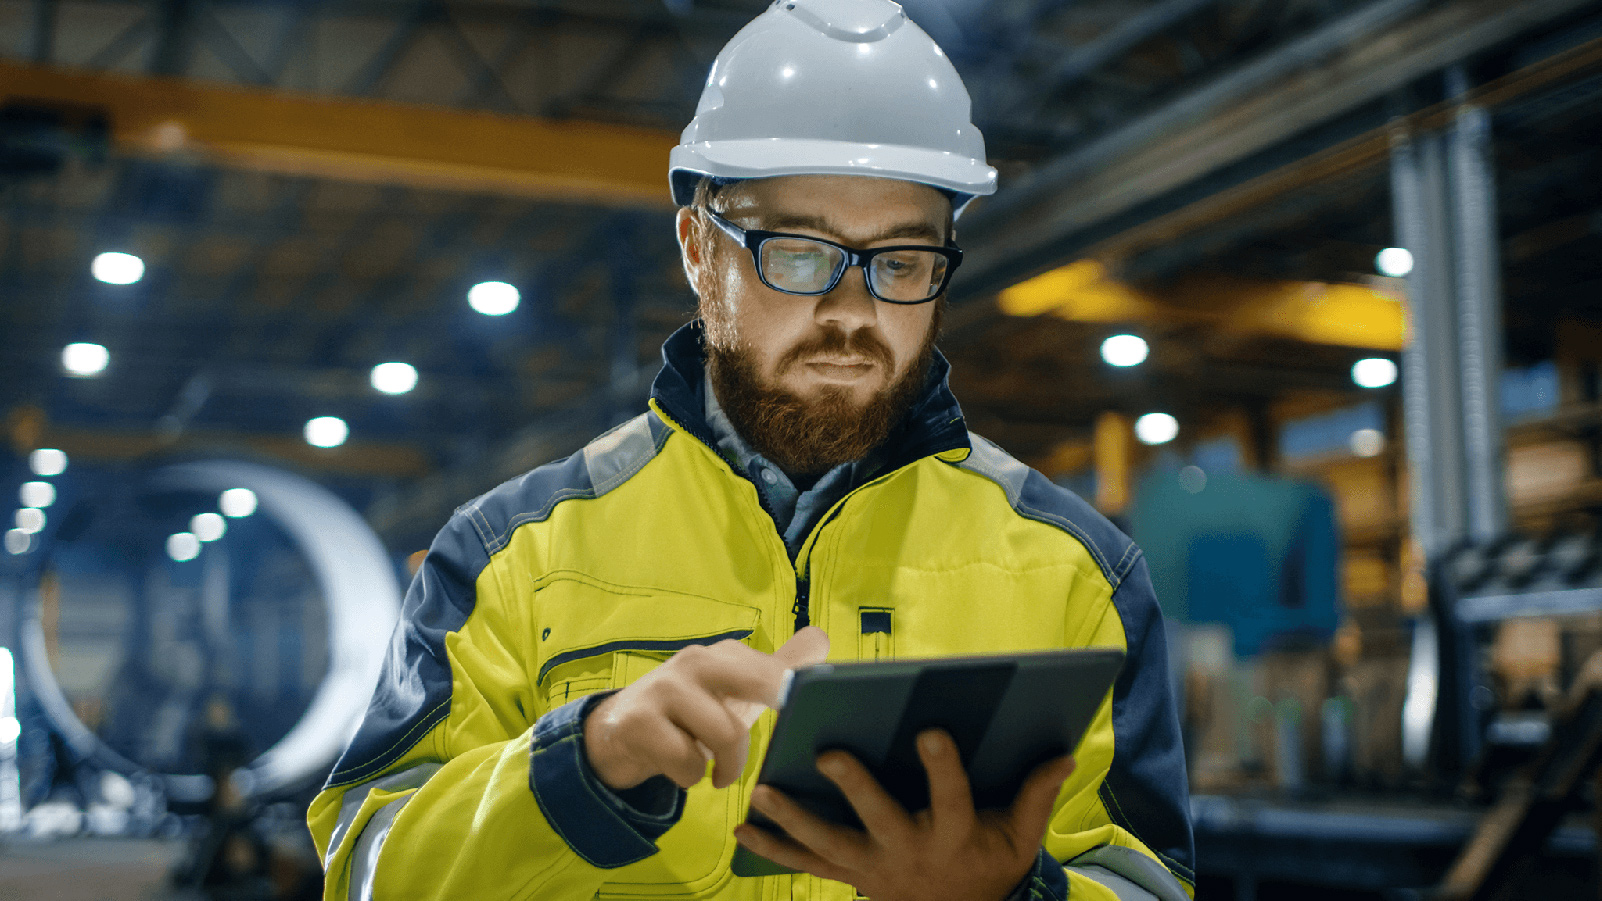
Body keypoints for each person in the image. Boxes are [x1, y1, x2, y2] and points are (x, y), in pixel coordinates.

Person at [308, 2, 1193, 899]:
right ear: (699, 249)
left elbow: (1146, 880)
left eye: (900, 261)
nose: (853, 310)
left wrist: (1010, 895)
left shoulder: (1079, 574)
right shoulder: (513, 554)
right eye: (800, 254)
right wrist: (580, 765)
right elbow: (368, 865)